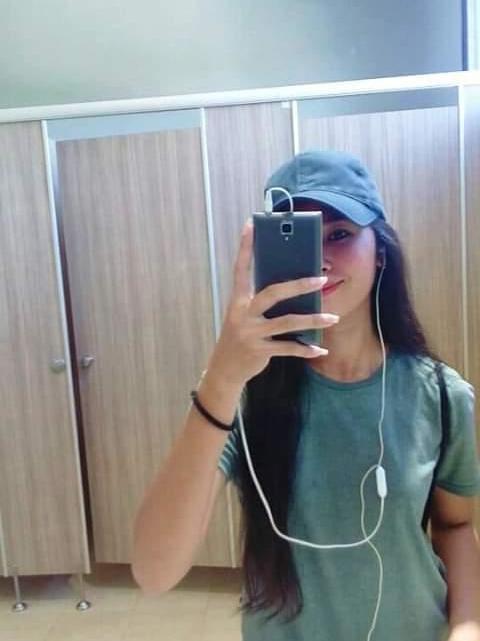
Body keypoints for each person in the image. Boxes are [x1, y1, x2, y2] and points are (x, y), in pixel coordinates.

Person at [132, 150, 480, 641]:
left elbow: (456, 527)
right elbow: (154, 572)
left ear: (380, 251)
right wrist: (221, 380)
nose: (318, 259)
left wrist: (467, 624)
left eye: (339, 234)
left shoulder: (441, 395)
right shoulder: (242, 393)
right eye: (296, 239)